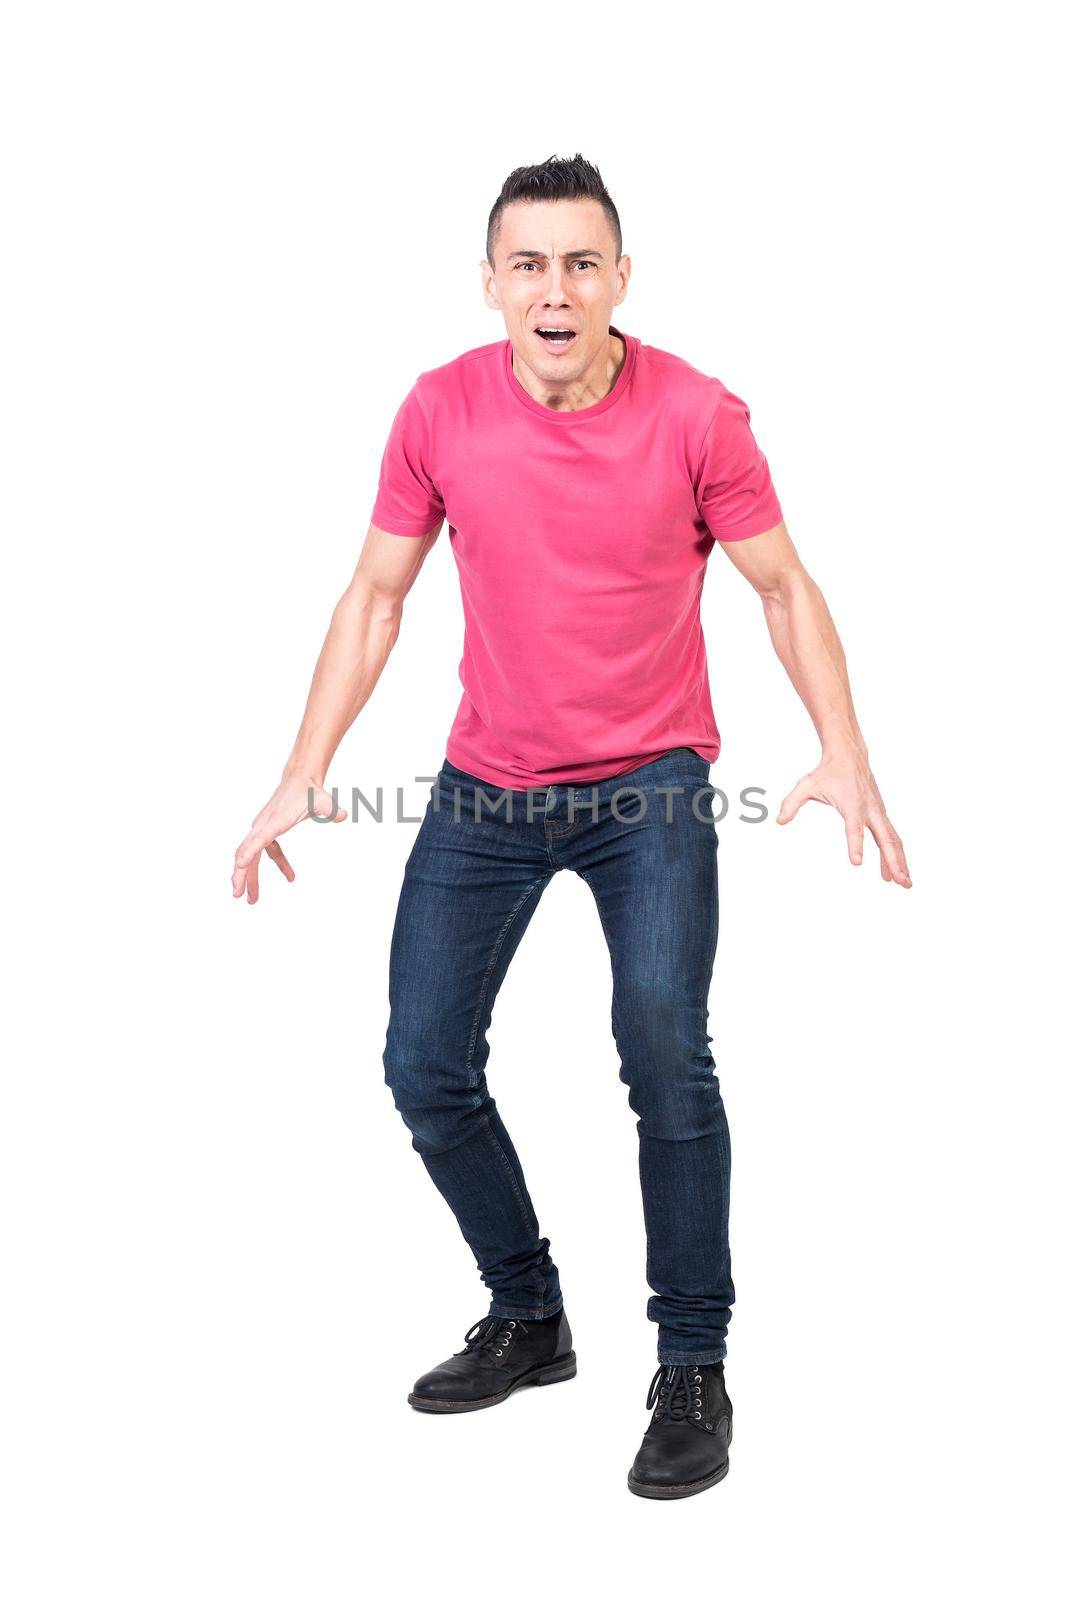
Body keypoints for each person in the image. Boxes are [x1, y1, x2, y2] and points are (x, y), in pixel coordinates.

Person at [231, 153, 912, 1500]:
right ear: (491, 284)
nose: (557, 290)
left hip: (648, 784)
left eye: (581, 263)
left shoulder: (700, 415)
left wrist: (846, 751)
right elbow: (377, 597)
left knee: (664, 1051)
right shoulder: (438, 410)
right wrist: (306, 766)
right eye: (529, 264)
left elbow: (784, 588)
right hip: (487, 782)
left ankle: (695, 1364)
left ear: (620, 280)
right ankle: (530, 1313)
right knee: (423, 1066)